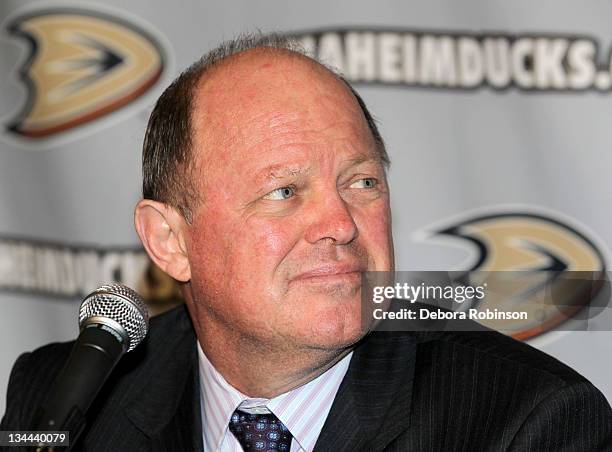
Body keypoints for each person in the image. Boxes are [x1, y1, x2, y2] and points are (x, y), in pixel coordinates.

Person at [2, 33, 611, 451]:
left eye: (362, 182)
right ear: (169, 240)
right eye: (285, 192)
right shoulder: (65, 402)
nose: (342, 224)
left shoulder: (524, 421)